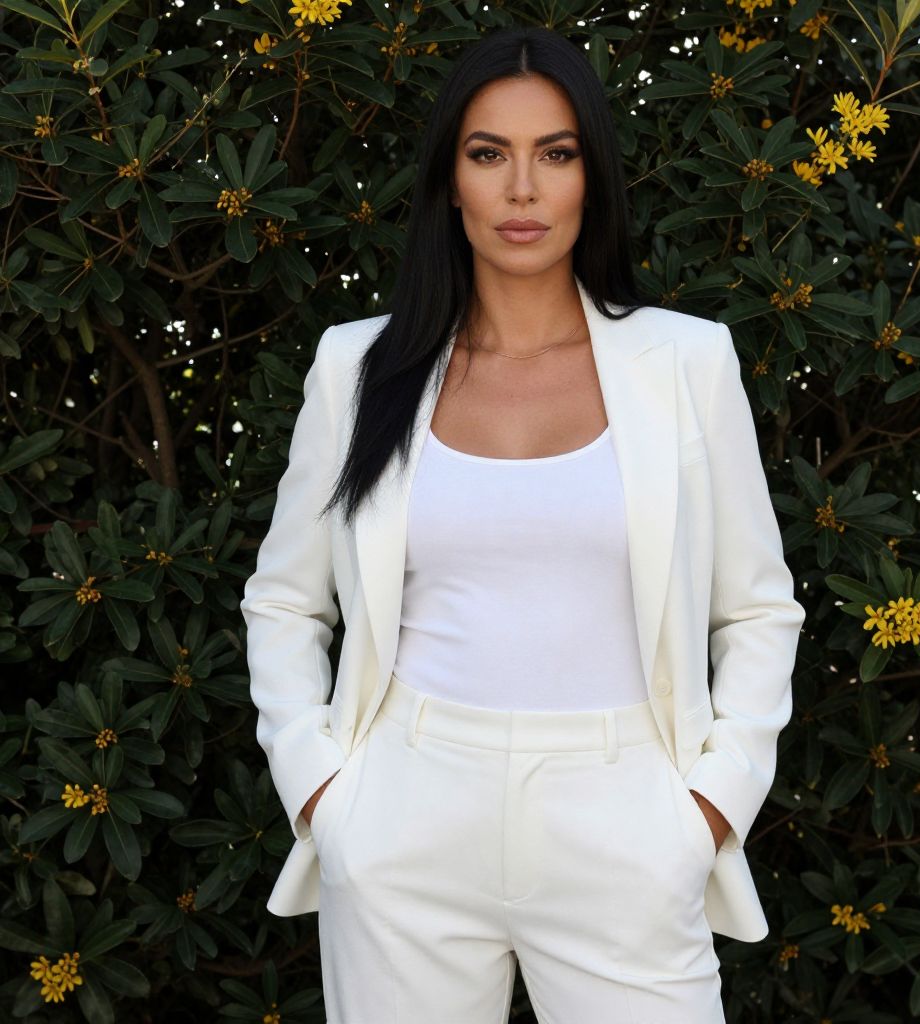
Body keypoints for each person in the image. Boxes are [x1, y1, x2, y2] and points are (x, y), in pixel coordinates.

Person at [240, 24, 805, 1024]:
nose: (521, 189)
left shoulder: (684, 366)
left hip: (624, 812)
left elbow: (758, 609)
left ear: (592, 177)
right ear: (448, 181)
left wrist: (704, 810)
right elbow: (285, 598)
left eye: (555, 153)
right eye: (487, 153)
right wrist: (326, 795)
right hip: (404, 808)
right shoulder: (358, 369)